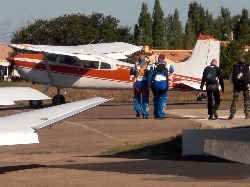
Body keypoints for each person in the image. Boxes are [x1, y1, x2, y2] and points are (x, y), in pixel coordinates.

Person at [149, 54, 174, 119]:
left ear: (158, 58)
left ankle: (156, 114)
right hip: (163, 83)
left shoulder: (153, 65)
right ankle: (161, 114)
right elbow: (172, 70)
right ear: (164, 58)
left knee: (155, 99)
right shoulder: (167, 65)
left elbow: (150, 74)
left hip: (155, 83)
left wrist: (150, 84)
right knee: (162, 99)